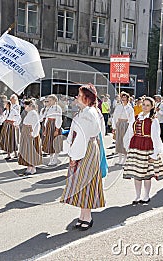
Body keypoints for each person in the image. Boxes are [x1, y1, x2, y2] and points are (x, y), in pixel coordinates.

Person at [60, 84, 105, 231]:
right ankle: (83, 216)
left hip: (85, 150)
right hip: (85, 147)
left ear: (86, 98)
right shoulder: (85, 112)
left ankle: (88, 217)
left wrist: (74, 155)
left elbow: (82, 137)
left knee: (85, 182)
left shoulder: (88, 113)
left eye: (79, 95)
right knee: (82, 183)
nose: (77, 97)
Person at [123, 97, 163, 205]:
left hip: (147, 147)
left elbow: (156, 137)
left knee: (147, 174)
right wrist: (127, 146)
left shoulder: (153, 120)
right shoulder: (136, 117)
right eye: (144, 104)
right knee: (136, 173)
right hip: (135, 146)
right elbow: (130, 132)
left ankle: (146, 195)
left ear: (152, 107)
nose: (145, 107)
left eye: (147, 105)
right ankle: (137, 195)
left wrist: (155, 153)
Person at [18, 100, 42, 175]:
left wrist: (34, 134)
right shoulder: (30, 113)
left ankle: (31, 167)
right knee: (28, 150)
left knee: (30, 150)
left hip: (29, 133)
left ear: (30, 106)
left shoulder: (33, 113)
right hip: (27, 132)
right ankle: (32, 167)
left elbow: (36, 125)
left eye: (26, 105)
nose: (25, 107)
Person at [112, 92, 134, 165]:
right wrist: (114, 127)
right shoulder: (118, 107)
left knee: (125, 142)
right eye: (122, 98)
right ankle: (119, 159)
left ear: (128, 99)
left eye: (125, 98)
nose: (123, 100)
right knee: (119, 142)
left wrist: (130, 128)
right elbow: (114, 117)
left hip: (126, 125)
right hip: (119, 124)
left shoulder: (130, 108)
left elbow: (132, 119)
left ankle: (125, 159)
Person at [42, 94, 63, 166]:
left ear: (54, 100)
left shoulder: (58, 108)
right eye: (48, 100)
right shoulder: (49, 108)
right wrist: (45, 128)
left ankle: (55, 159)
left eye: (50, 100)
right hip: (49, 125)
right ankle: (51, 159)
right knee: (49, 143)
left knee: (56, 143)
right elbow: (47, 118)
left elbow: (59, 119)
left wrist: (57, 129)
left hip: (54, 126)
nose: (49, 102)